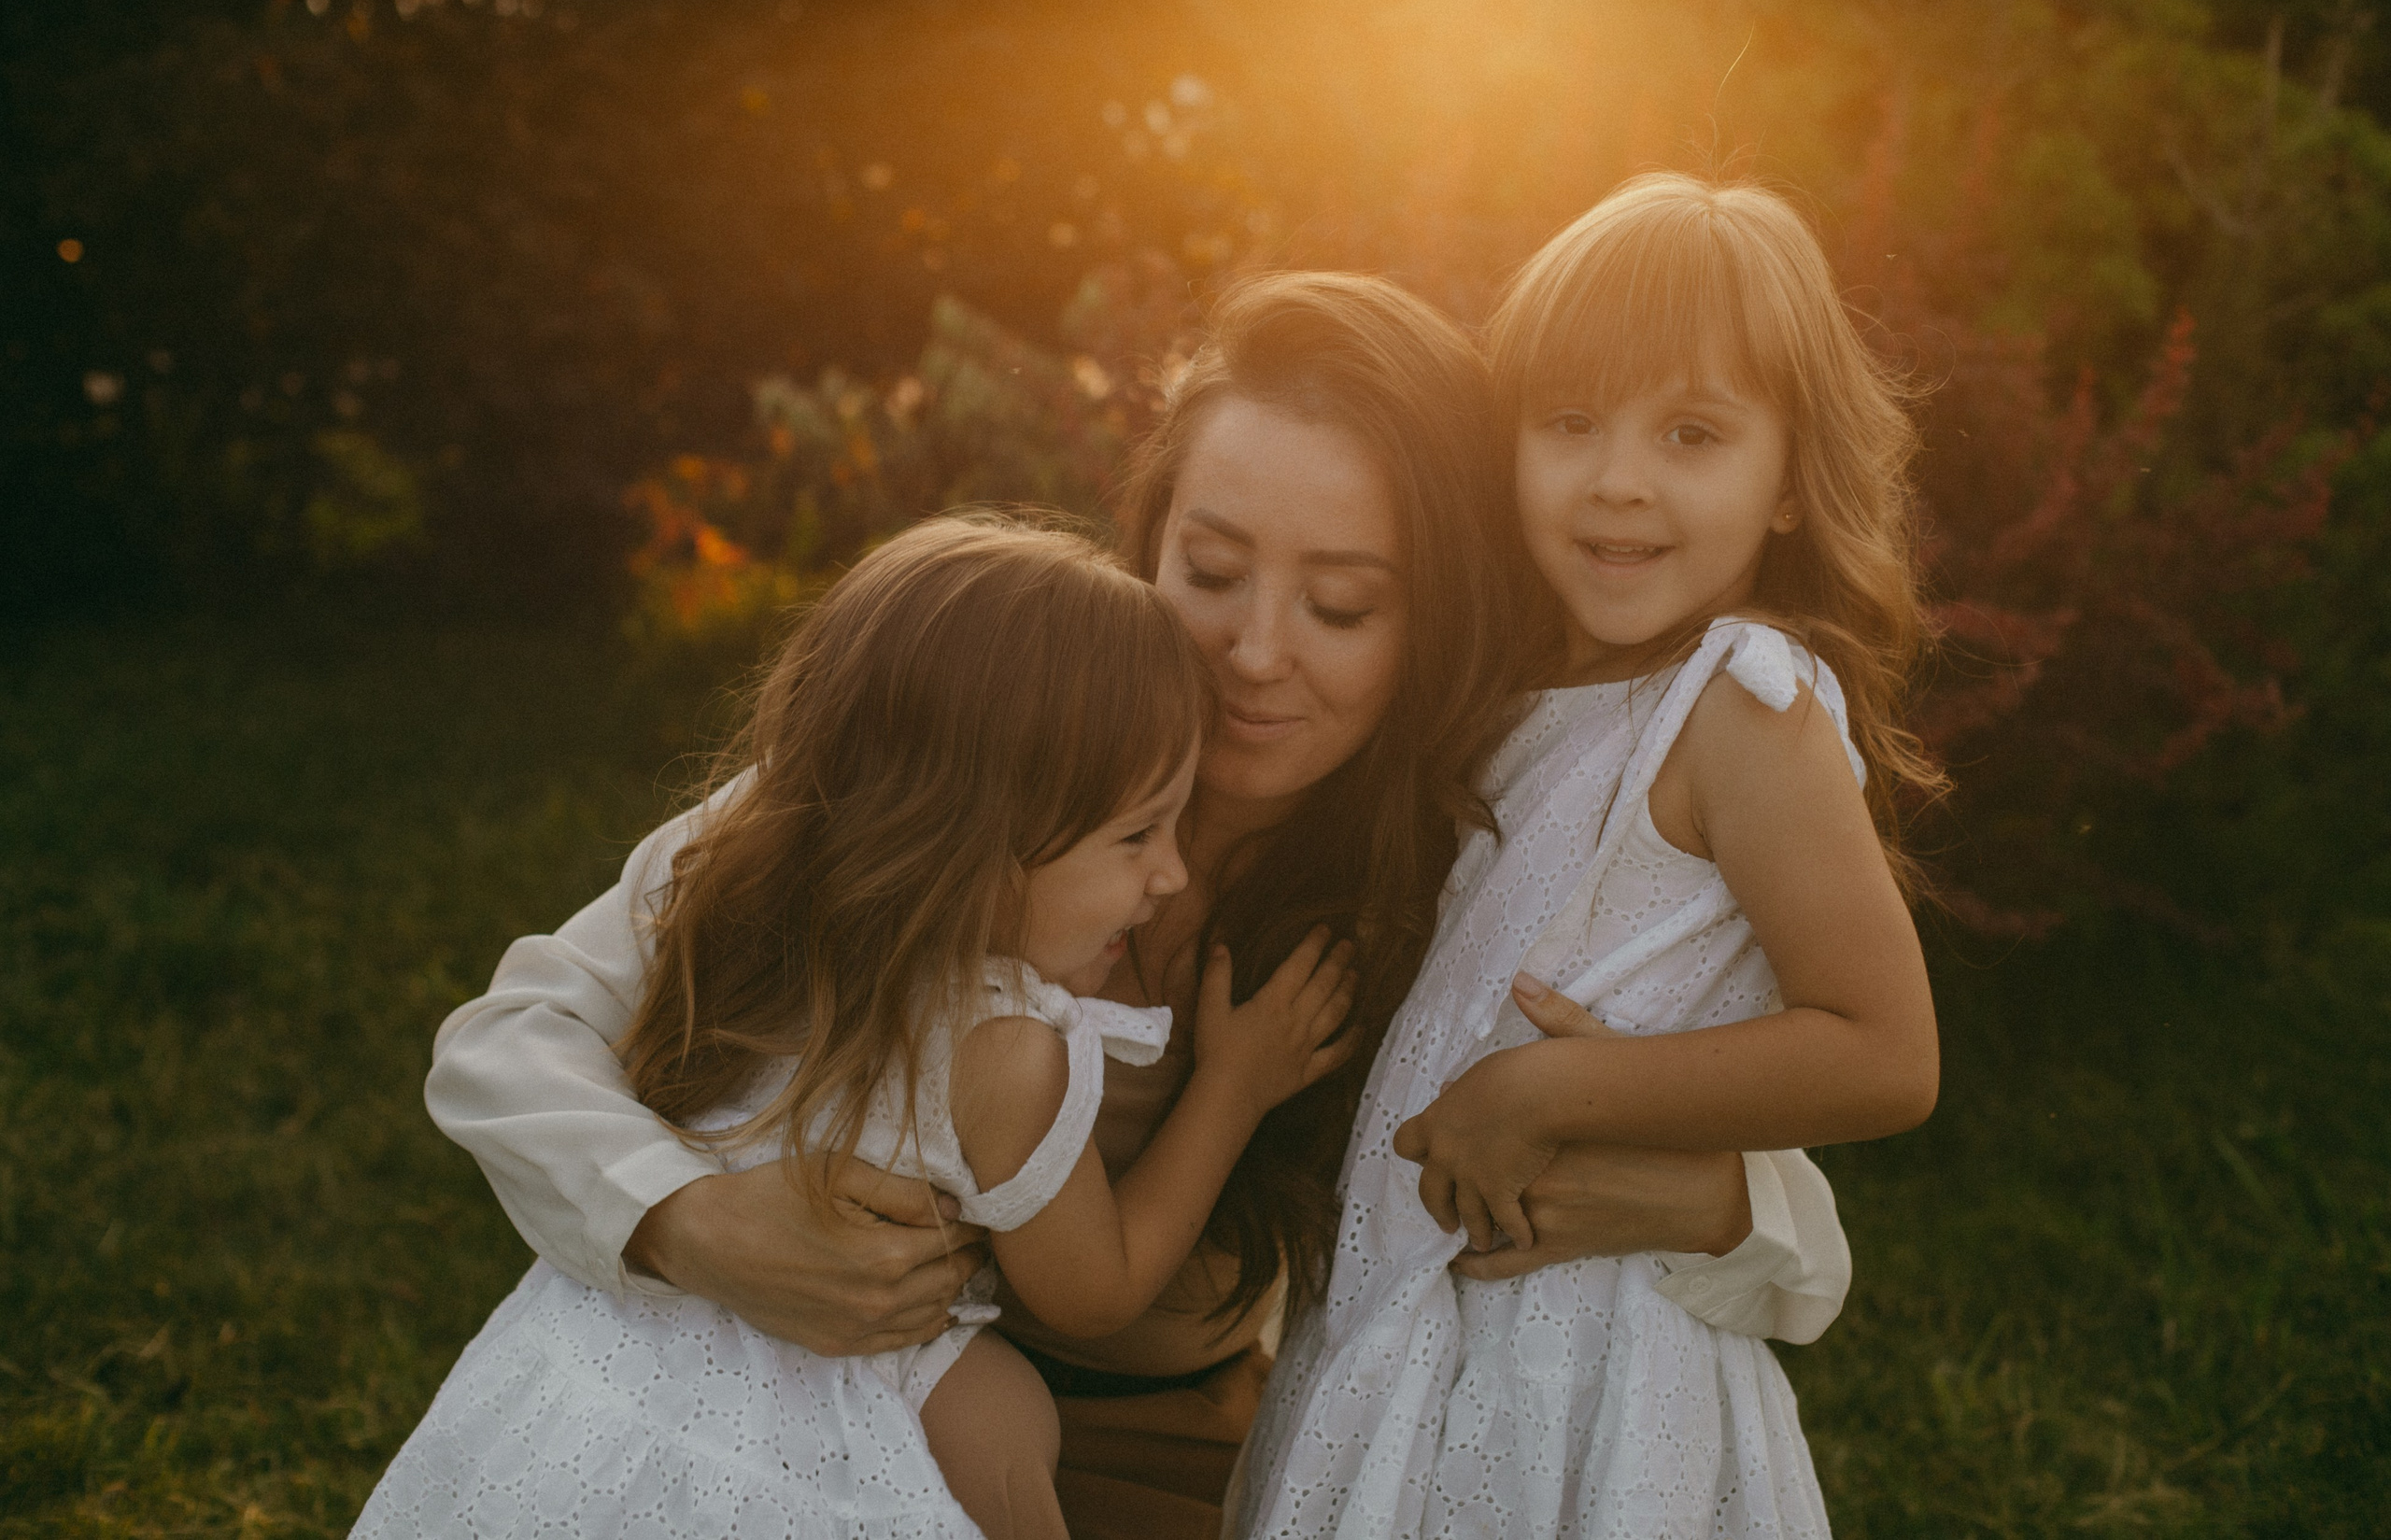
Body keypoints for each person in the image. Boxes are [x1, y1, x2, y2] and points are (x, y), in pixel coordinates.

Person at [418, 272, 1856, 1539]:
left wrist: (1719, 1200)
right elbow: (517, 1033)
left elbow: (1786, 1231)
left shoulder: (1436, 879)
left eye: (1343, 605)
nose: (1253, 652)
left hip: (1145, 1447)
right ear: (1148, 539)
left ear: (1434, 621)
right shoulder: (957, 771)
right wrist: (694, 1221)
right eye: (1211, 571)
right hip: (780, 1370)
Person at [354, 516, 1365, 1538]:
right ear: (977, 848)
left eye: (1337, 602)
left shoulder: (762, 886)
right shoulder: (1005, 1043)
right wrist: (1233, 1086)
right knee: (1002, 1421)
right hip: (848, 1397)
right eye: (1140, 834)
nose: (1170, 872)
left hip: (594, 1373)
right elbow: (1095, 1289)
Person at [1234, 174, 1945, 1538]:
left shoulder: (1740, 701)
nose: (1619, 477)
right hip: (1419, 1320)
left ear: (1789, 480)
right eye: (1569, 422)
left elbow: (1884, 1050)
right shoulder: (1506, 693)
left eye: (1692, 432)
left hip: (1592, 1353)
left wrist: (1550, 1084)